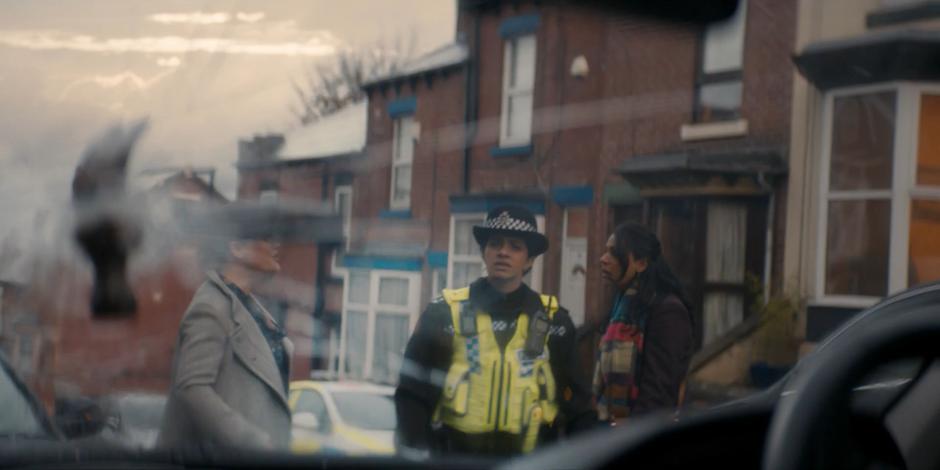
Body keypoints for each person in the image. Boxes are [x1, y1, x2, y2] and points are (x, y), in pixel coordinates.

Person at [395, 205, 596, 458]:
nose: (503, 252)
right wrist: (416, 456)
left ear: (530, 260)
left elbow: (579, 408)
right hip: (456, 462)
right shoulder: (444, 313)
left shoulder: (554, 322)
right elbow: (411, 395)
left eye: (515, 246)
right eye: (495, 244)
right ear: (483, 252)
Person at [158, 230, 292, 454]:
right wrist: (252, 441)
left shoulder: (250, 308)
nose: (276, 244)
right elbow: (192, 387)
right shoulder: (211, 307)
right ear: (236, 248)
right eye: (266, 237)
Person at [594, 222, 693, 424]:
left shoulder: (667, 312)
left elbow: (659, 395)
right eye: (605, 252)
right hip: (611, 431)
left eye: (614, 253)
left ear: (641, 263)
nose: (603, 259)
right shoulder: (621, 307)